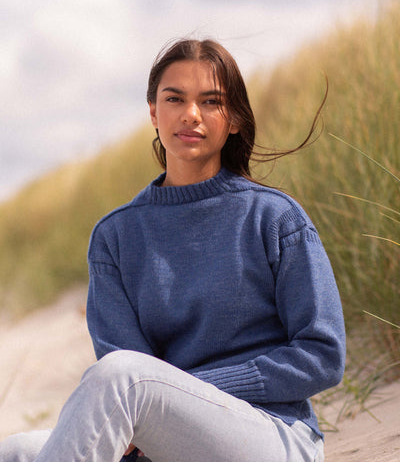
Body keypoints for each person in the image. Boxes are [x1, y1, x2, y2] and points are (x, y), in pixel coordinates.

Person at [0, 38, 346, 462]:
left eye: (211, 101)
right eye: (175, 98)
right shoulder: (116, 236)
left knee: (123, 378)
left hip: (273, 436)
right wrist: (157, 404)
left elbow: (322, 355)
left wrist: (184, 392)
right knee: (15, 451)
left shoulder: (274, 218)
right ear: (153, 113)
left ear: (234, 118)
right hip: (159, 437)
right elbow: (130, 376)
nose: (191, 114)